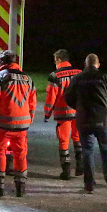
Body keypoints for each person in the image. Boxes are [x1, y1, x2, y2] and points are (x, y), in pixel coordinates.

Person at [63, 53, 107, 194]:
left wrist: (79, 107)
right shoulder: (106, 78)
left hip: (84, 120)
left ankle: (89, 184)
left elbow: (68, 97)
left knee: (87, 151)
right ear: (98, 64)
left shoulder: (77, 79)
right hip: (103, 120)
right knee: (106, 149)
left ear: (85, 64)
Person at [0, 50, 36, 198]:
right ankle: (20, 187)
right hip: (22, 125)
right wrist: (29, 120)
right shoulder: (28, 78)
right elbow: (32, 103)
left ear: (2, 62)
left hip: (2, 124)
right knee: (20, 154)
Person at [43, 48, 82, 180]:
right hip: (79, 112)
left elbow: (51, 97)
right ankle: (80, 166)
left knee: (64, 141)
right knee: (78, 138)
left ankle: (66, 171)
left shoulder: (55, 75)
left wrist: (47, 113)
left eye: (55, 60)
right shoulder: (79, 73)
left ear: (59, 60)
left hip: (63, 112)